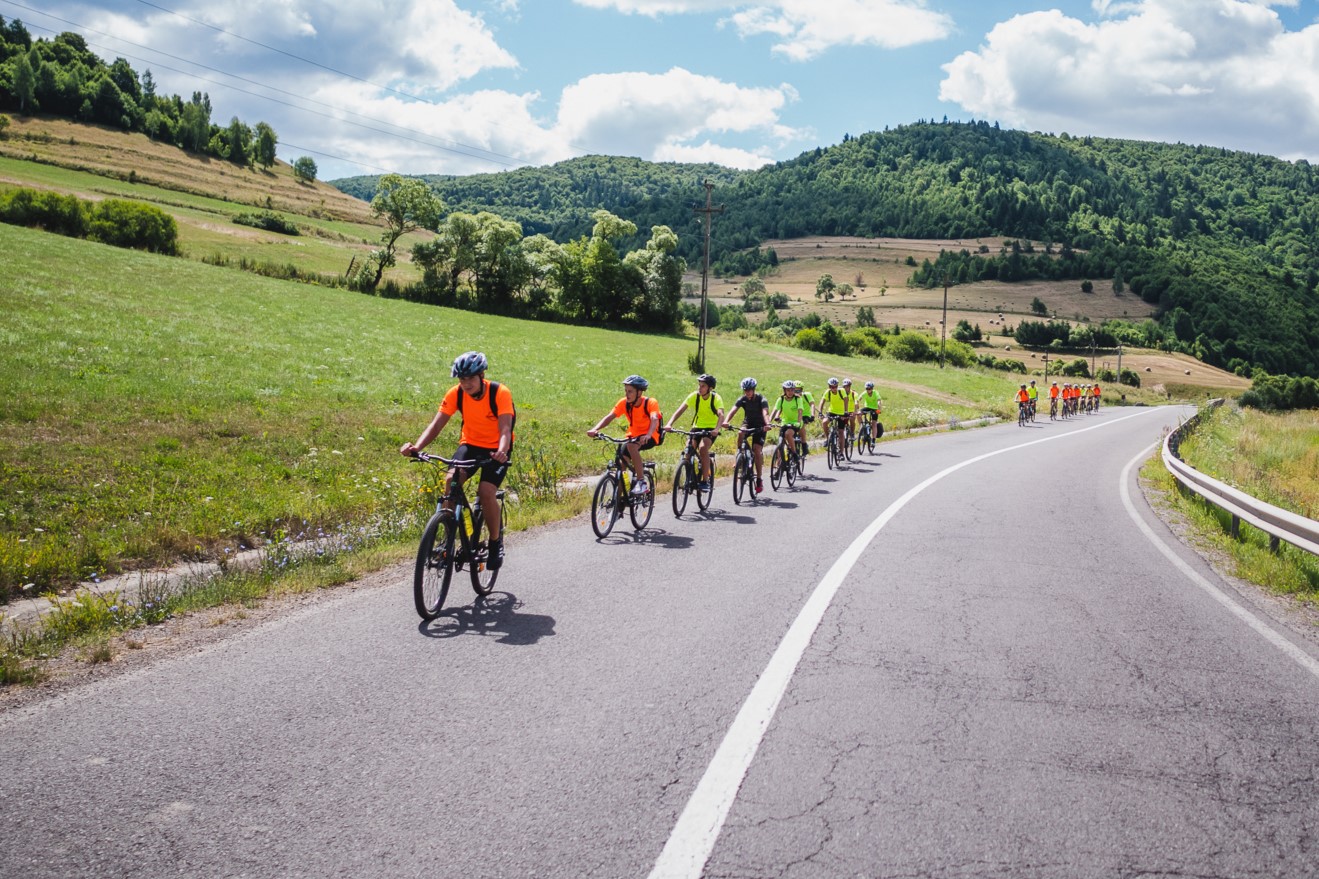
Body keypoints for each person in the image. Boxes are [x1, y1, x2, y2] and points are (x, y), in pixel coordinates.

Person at [400, 351, 513, 570]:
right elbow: (436, 425)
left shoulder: (499, 393)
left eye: (470, 378)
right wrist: (416, 447)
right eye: (461, 379)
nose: (465, 383)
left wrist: (501, 451)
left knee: (486, 492)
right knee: (450, 480)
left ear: (481, 375)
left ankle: (495, 542)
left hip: (496, 448)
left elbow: (505, 428)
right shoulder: (456, 394)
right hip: (470, 445)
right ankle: (449, 539)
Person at [587, 375, 660, 495]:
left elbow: (654, 418)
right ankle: (619, 503)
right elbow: (609, 417)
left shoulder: (650, 402)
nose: (627, 394)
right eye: (626, 391)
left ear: (639, 392)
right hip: (632, 437)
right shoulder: (624, 403)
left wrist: (648, 434)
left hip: (650, 436)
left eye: (630, 391)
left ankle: (641, 482)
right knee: (621, 466)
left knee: (631, 446)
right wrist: (595, 429)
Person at [666, 374, 724, 491]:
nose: (700, 388)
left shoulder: (716, 398)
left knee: (703, 448)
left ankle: (705, 481)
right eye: (699, 385)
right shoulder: (694, 396)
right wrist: (669, 423)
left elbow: (721, 415)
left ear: (710, 388)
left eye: (703, 386)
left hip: (710, 429)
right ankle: (689, 479)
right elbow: (680, 410)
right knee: (688, 450)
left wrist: (717, 429)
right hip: (697, 427)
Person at [720, 377, 770, 493]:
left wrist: (767, 424)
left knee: (757, 450)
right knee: (740, 433)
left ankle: (758, 479)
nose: (747, 392)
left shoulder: (761, 399)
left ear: (754, 389)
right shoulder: (742, 399)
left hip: (760, 425)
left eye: (749, 390)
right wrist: (726, 421)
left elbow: (765, 412)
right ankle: (740, 457)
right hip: (748, 423)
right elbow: (733, 410)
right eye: (745, 390)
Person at [771, 380, 807, 467]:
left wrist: (798, 422)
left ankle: (794, 454)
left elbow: (800, 411)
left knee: (788, 434)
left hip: (795, 423)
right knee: (780, 443)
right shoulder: (781, 399)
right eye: (788, 390)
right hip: (785, 422)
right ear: (784, 391)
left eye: (792, 390)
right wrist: (768, 422)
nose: (790, 392)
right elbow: (775, 410)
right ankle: (779, 465)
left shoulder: (798, 399)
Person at [821, 377, 851, 453]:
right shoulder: (827, 392)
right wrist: (820, 412)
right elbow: (822, 401)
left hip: (841, 413)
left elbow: (846, 400)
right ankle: (828, 439)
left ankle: (841, 453)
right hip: (831, 411)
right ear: (829, 386)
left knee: (841, 432)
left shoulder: (842, 391)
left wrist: (846, 411)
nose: (834, 388)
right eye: (832, 387)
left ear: (838, 386)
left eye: (835, 386)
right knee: (824, 422)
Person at [794, 380, 814, 455]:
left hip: (805, 415)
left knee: (802, 427)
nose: (796, 391)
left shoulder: (807, 395)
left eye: (798, 390)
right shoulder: (792, 397)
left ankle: (804, 444)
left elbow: (812, 404)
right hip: (796, 416)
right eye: (795, 390)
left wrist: (812, 415)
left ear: (802, 390)